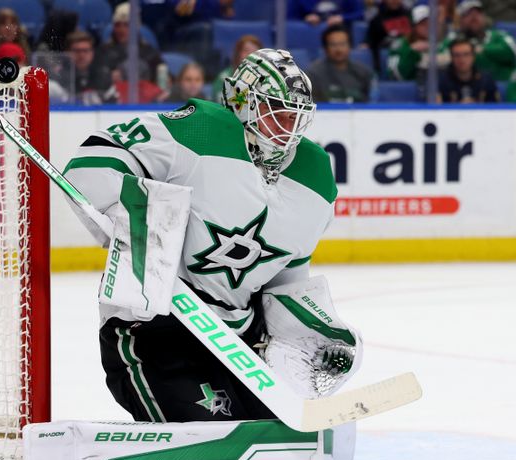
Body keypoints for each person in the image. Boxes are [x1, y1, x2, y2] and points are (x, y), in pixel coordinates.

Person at [62, 47, 360, 425]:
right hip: (156, 328)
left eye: (296, 116)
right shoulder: (200, 128)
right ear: (242, 101)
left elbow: (286, 279)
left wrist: (310, 334)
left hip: (237, 339)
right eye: (276, 111)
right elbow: (92, 162)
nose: (287, 128)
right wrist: (137, 224)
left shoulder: (315, 177)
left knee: (277, 431)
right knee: (209, 431)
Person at [443, 0, 516, 81]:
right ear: (461, 20)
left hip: (502, 86)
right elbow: (440, 58)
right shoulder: (454, 38)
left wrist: (483, 49)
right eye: (468, 14)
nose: (474, 17)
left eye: (478, 13)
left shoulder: (499, 35)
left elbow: (513, 52)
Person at [97, 2, 164, 84]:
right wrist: (108, 78)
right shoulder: (103, 52)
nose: (121, 30)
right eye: (117, 25)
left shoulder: (150, 53)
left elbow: (162, 79)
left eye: (126, 25)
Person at [308, 24, 373, 102]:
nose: (338, 49)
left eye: (342, 44)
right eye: (333, 45)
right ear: (325, 48)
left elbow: (370, 104)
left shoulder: (363, 72)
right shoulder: (313, 74)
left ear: (350, 46)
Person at [388, 4, 451, 81]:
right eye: (422, 24)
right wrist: (411, 52)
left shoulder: (446, 43)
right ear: (413, 27)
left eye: (430, 22)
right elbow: (395, 76)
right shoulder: (399, 45)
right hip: (411, 89)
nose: (428, 26)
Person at [438, 35, 500, 102]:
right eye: (457, 55)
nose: (462, 60)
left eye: (466, 54)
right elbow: (436, 109)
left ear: (473, 56)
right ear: (451, 57)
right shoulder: (441, 80)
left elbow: (495, 108)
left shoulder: (486, 79)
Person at [365, 0, 412, 76]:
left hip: (408, 59)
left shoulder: (410, 17)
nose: (394, 1)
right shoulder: (376, 20)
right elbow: (372, 42)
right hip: (385, 61)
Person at [65, 31, 113, 104]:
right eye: (77, 51)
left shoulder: (103, 77)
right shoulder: (60, 77)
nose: (81, 55)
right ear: (68, 53)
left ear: (92, 53)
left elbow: (114, 105)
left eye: (85, 51)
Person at [212, 34, 263, 102]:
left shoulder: (267, 78)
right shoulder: (223, 79)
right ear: (238, 53)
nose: (251, 55)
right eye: (246, 50)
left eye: (255, 51)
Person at [287, 0, 361, 26]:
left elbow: (360, 14)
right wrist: (305, 18)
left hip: (343, 34)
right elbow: (289, 21)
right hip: (311, 36)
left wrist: (343, 18)